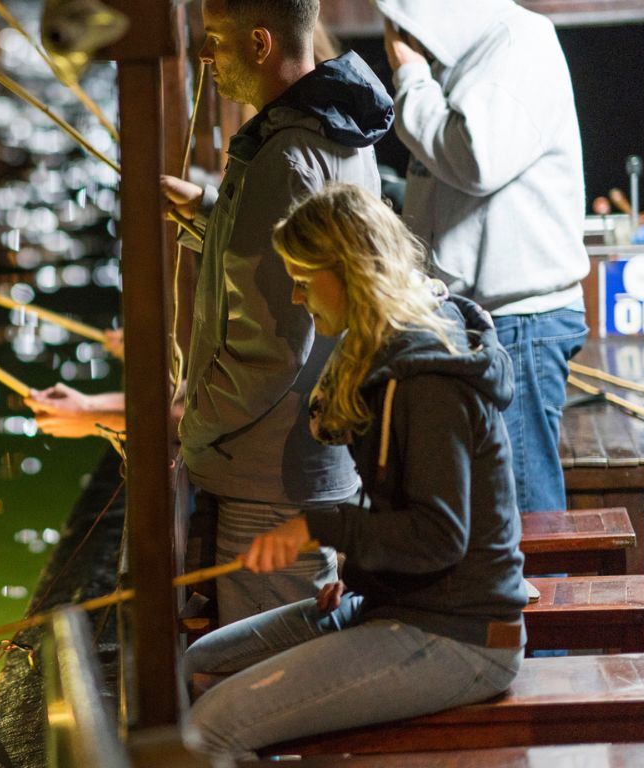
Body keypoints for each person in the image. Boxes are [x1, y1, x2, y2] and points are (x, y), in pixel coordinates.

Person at [31, 0, 393, 625]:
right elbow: (293, 258)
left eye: (216, 40)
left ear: (259, 44)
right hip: (312, 454)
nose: (205, 56)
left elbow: (271, 346)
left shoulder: (284, 159)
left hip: (269, 473)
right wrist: (209, 211)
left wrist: (188, 426)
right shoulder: (339, 131)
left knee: (273, 671)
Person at [182, 183, 528, 758]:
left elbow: (440, 536)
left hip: (462, 636)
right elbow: (406, 512)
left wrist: (318, 527)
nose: (295, 298)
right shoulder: (385, 352)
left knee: (210, 726)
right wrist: (367, 571)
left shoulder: (425, 379)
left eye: (301, 279)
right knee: (200, 661)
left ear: (349, 272)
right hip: (397, 603)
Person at [376, 0, 590, 513]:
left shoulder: (519, 42)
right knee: (494, 511)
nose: (394, 35)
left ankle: (544, 595)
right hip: (483, 320)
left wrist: (411, 79)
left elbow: (476, 158)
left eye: (399, 18)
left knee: (519, 514)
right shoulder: (469, 55)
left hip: (520, 323)